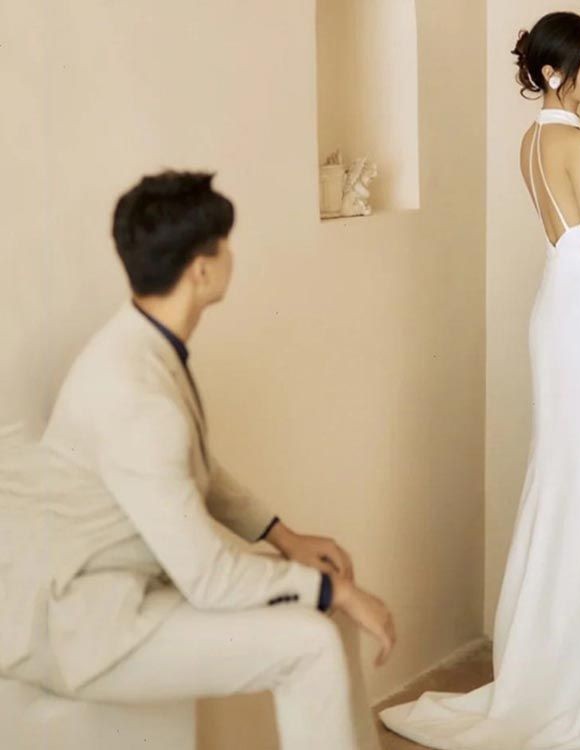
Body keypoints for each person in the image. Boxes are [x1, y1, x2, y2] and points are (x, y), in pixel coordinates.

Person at [380, 11, 580, 749]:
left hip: (567, 309)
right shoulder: (578, 143)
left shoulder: (533, 140)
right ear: (554, 73)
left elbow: (572, 249)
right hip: (579, 310)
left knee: (567, 474)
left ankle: (553, 661)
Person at [0, 171, 395, 750]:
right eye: (224, 245)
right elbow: (210, 579)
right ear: (202, 270)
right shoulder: (138, 396)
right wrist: (336, 591)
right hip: (86, 628)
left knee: (328, 615)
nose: (233, 255)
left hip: (129, 586)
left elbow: (197, 468)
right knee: (313, 640)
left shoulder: (140, 342)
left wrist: (285, 538)